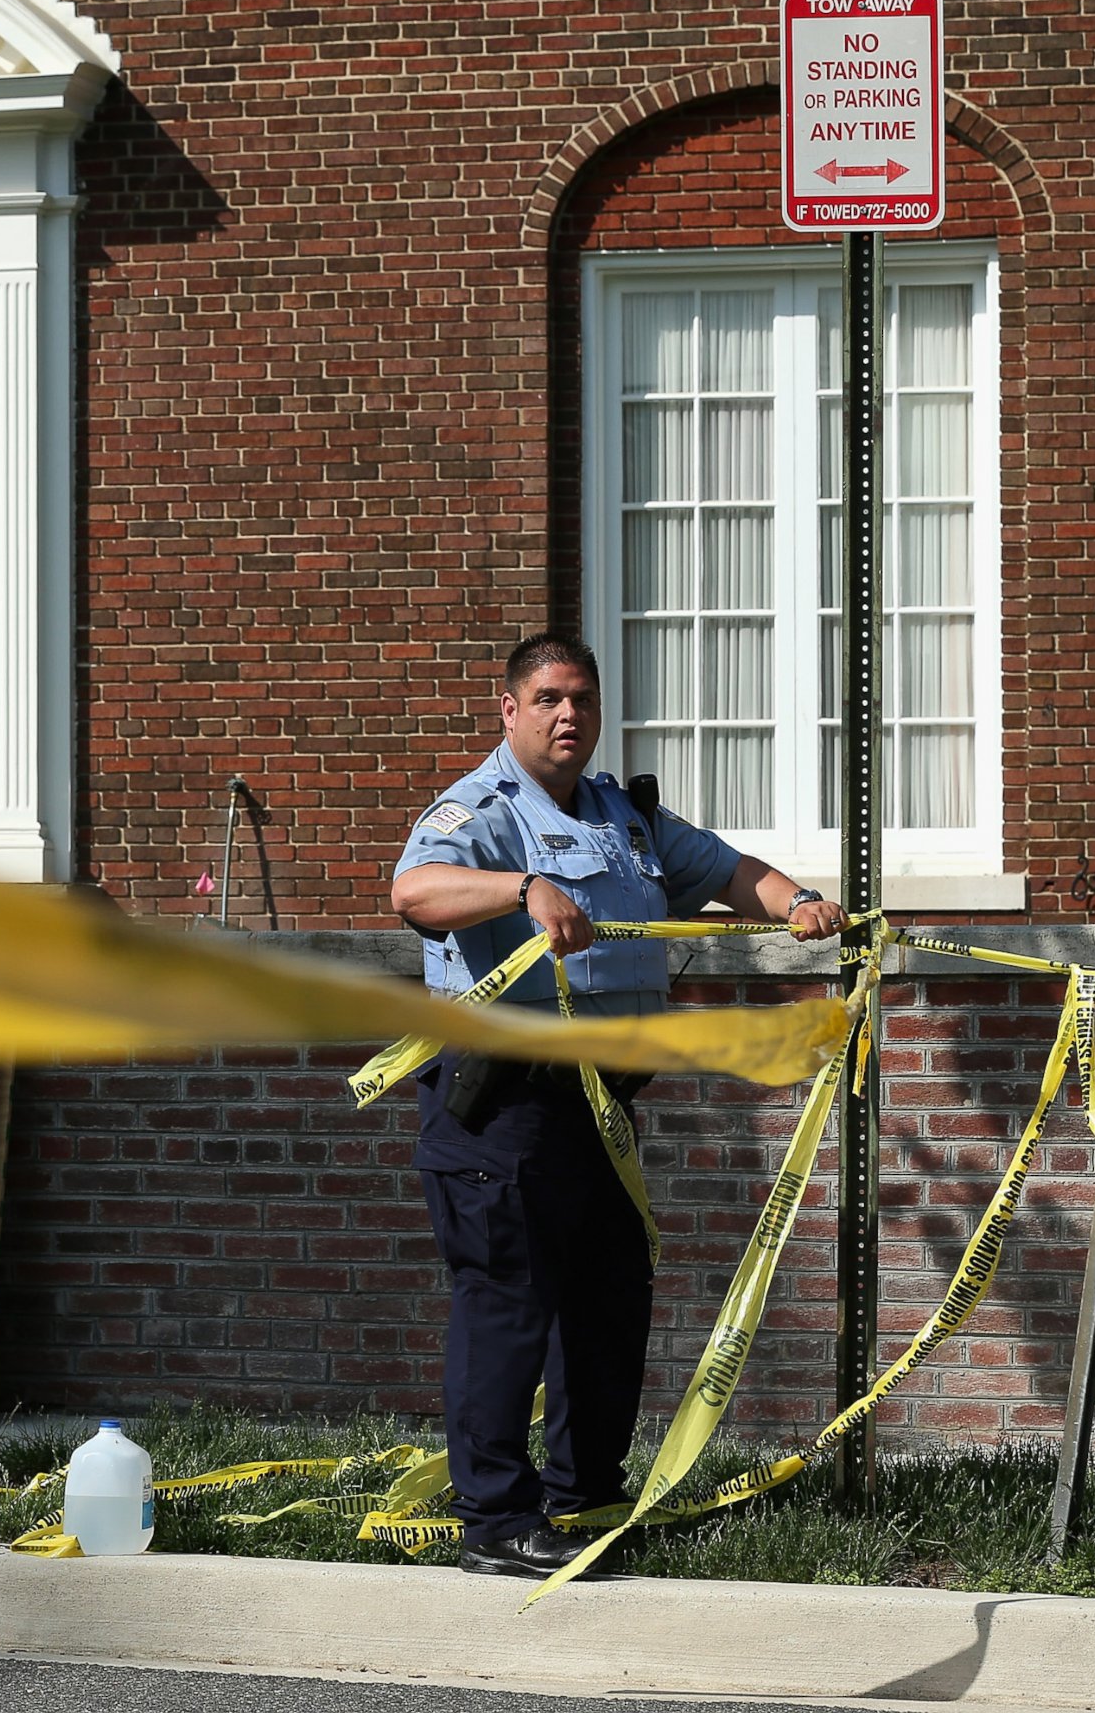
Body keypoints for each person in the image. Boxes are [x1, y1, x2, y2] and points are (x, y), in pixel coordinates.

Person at [389, 633, 844, 1577]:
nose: (569, 716)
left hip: (602, 1107)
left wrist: (796, 900)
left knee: (608, 1301)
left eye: (583, 701)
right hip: (503, 1104)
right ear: (508, 709)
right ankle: (495, 1522)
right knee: (508, 1305)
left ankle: (585, 1491)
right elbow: (416, 892)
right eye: (549, 698)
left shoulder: (623, 817)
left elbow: (726, 873)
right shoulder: (477, 810)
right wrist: (522, 886)